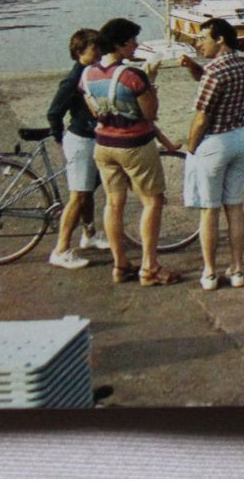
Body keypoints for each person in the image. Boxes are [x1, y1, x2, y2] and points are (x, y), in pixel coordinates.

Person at [81, 18, 183, 286]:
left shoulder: (88, 74)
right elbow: (150, 113)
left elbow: (95, 110)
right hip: (134, 145)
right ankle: (149, 267)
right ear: (121, 44)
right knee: (152, 201)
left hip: (104, 144)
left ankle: (120, 265)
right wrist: (151, 85)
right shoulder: (132, 76)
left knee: (114, 203)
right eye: (133, 41)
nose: (136, 45)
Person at [176, 18, 244, 291]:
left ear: (220, 39)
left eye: (203, 39)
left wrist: (191, 146)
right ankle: (237, 269)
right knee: (235, 206)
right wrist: (194, 68)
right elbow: (216, 81)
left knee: (209, 210)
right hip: (239, 138)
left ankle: (209, 271)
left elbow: (201, 117)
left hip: (214, 144)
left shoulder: (213, 73)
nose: (199, 44)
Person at [46, 28, 107, 269]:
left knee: (87, 190)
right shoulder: (73, 79)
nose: (99, 53)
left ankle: (89, 234)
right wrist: (58, 136)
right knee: (79, 195)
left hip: (90, 138)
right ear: (80, 51)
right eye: (95, 49)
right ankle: (61, 249)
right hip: (80, 140)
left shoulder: (90, 73)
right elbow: (54, 112)